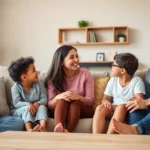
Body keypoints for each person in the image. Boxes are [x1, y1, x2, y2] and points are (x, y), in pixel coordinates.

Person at [45, 45, 94, 132]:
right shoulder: (53, 78)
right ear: (61, 62)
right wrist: (58, 97)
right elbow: (50, 105)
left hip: (82, 109)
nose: (76, 60)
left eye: (77, 56)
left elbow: (91, 101)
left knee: (75, 101)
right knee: (63, 99)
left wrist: (77, 97)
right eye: (72, 57)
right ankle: (58, 128)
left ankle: (68, 130)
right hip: (60, 109)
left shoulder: (86, 74)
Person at [92, 53, 145, 134]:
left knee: (120, 107)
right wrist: (105, 101)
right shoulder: (113, 80)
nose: (111, 67)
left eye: (114, 65)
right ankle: (96, 137)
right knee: (100, 108)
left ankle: (109, 136)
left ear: (122, 70)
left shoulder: (137, 81)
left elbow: (139, 101)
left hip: (127, 111)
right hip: (114, 109)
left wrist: (123, 105)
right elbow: (105, 98)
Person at [8, 57, 48, 132]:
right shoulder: (15, 88)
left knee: (42, 107)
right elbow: (16, 103)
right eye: (34, 70)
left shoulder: (39, 84)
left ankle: (43, 127)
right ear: (24, 77)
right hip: (19, 111)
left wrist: (37, 104)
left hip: (35, 109)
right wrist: (28, 104)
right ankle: (29, 129)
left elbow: (45, 99)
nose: (37, 72)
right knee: (26, 109)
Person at [112, 69, 150, 135]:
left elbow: (145, 101)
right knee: (133, 109)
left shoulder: (137, 80)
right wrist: (138, 101)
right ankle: (136, 138)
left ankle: (137, 129)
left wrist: (146, 102)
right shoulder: (149, 73)